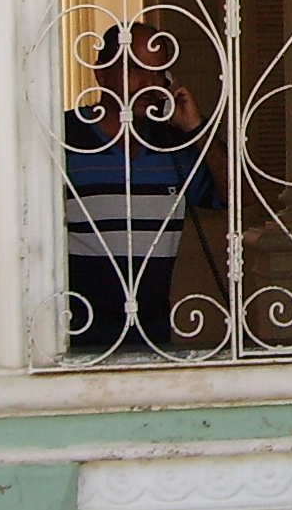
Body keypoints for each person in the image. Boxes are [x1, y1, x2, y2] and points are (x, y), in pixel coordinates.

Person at [65, 23, 216, 353]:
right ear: (101, 72)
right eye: (134, 69)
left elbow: (242, 197)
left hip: (152, 334)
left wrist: (195, 128)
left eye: (159, 72)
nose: (149, 83)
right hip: (77, 333)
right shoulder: (66, 137)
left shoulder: (174, 145)